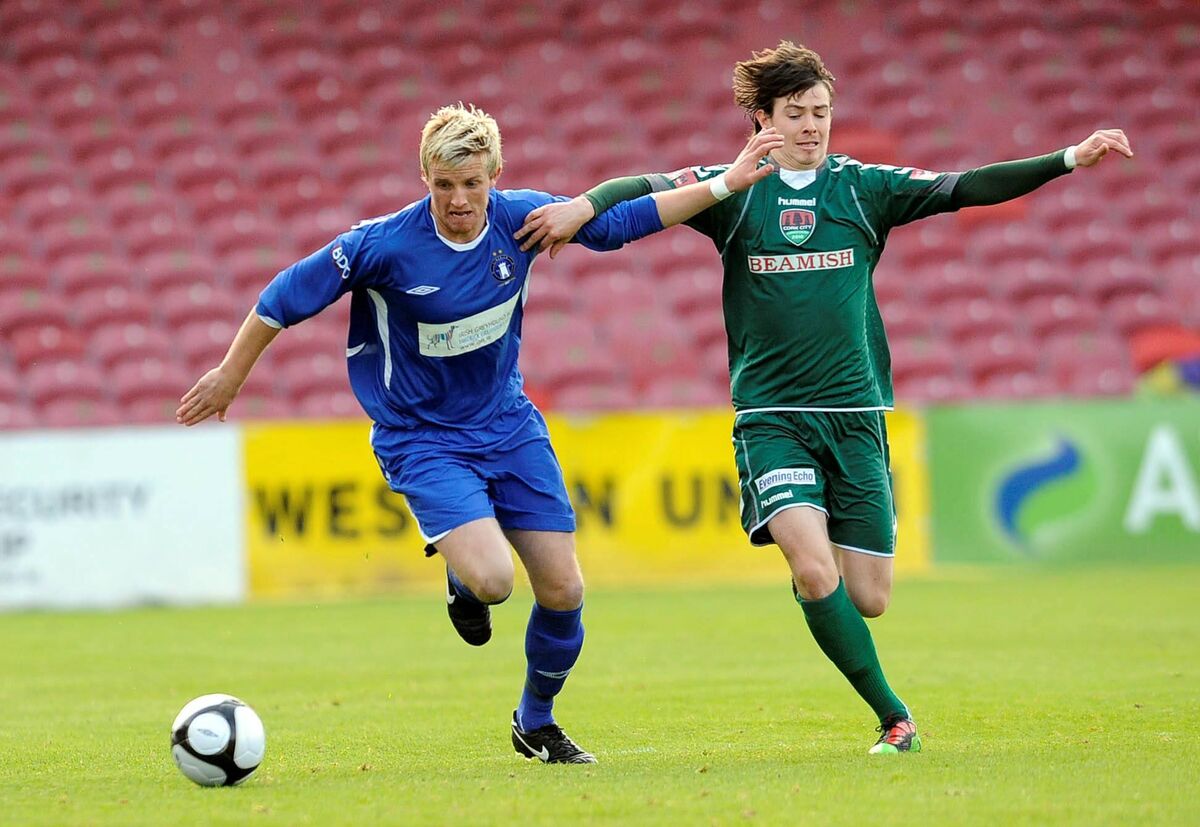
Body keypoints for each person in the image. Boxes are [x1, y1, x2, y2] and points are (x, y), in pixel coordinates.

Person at [514, 42, 1133, 754]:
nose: (813, 125)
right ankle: (896, 718)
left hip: (856, 416)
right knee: (814, 568)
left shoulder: (865, 188)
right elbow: (638, 186)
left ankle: (821, 601)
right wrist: (581, 205)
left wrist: (1066, 159)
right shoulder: (730, 189)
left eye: (822, 112)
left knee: (867, 595)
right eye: (797, 113)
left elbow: (966, 186)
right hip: (771, 418)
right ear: (760, 119)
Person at [176, 103, 784, 764]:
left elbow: (624, 221)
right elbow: (285, 295)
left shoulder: (521, 221)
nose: (458, 199)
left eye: (472, 184)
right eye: (443, 185)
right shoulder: (383, 245)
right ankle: (463, 581)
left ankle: (535, 722)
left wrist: (726, 183)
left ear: (495, 175)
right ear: (425, 178)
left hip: (506, 423)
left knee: (565, 591)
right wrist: (232, 373)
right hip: (421, 436)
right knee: (494, 580)